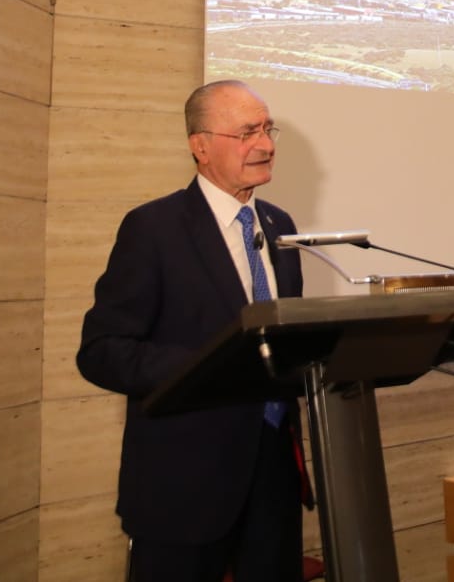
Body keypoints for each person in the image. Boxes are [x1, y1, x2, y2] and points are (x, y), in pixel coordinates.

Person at [77, 80, 305, 581]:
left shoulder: (280, 225)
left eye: (267, 130)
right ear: (200, 146)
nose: (265, 145)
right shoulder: (153, 229)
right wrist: (208, 368)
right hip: (183, 485)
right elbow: (101, 350)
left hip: (273, 477)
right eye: (246, 132)